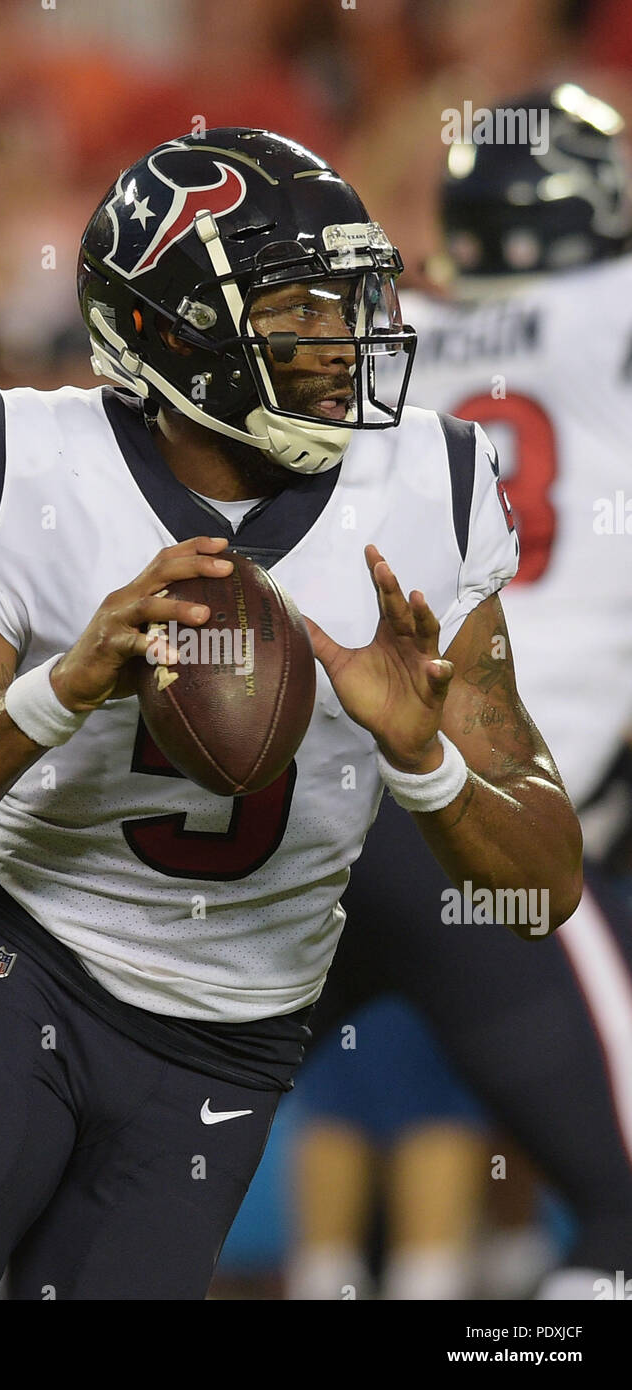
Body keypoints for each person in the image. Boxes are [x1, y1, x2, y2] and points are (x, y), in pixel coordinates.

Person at [0, 127, 581, 1301]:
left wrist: (422, 758)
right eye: (298, 311)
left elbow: (545, 886)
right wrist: (57, 690)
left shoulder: (429, 486)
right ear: (171, 331)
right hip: (29, 963)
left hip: (235, 1024)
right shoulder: (28, 462)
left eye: (349, 300)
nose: (343, 340)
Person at [289, 85, 632, 1302]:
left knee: (145, 1142)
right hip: (482, 823)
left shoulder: (392, 330)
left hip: (323, 803)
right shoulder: (611, 311)